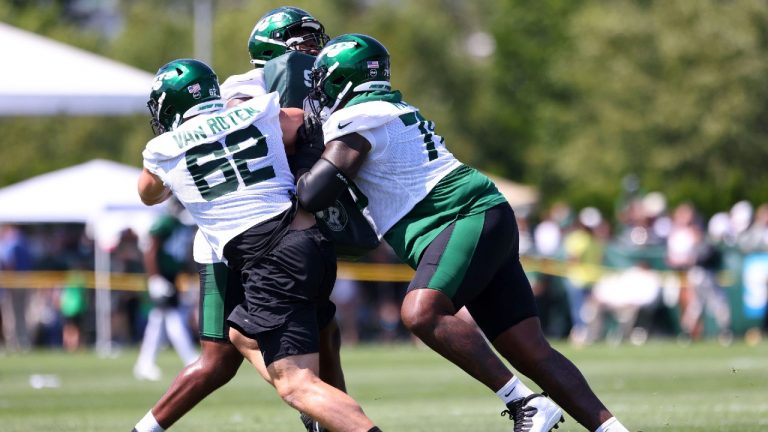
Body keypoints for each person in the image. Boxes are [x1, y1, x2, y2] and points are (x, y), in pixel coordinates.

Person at [296, 33, 629, 432]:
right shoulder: (389, 109)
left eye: (322, 82)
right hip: (483, 216)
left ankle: (524, 403)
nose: (318, 94)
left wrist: (297, 160)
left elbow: (312, 193)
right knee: (529, 348)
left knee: (420, 311)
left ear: (341, 79)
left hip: (462, 217)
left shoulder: (358, 117)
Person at [137, 57, 381, 432]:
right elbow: (304, 121)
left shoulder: (162, 149)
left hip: (268, 256)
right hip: (310, 241)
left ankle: (330, 417)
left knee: (297, 385)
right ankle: (323, 419)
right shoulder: (260, 109)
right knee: (241, 333)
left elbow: (148, 193)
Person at [133, 201, 199, 381]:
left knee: (159, 320)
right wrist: (154, 277)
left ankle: (145, 363)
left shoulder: (182, 225)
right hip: (161, 276)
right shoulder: (165, 223)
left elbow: (183, 255)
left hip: (172, 276)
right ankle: (189, 357)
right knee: (172, 317)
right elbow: (150, 250)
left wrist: (189, 276)